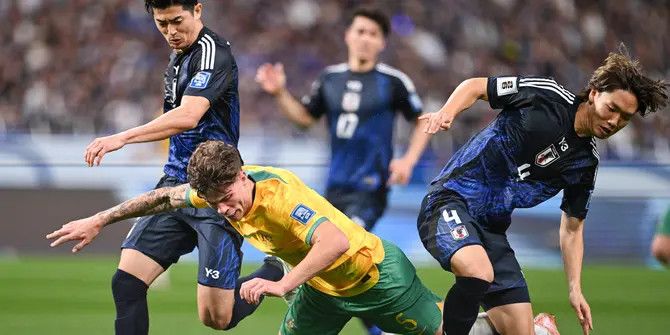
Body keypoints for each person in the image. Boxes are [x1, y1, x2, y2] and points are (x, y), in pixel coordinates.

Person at [48, 141, 561, 335]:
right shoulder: (214, 189)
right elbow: (160, 200)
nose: (225, 209)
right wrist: (100, 219)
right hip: (322, 292)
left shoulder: (281, 196)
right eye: (217, 202)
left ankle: (530, 330)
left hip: (377, 276)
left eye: (229, 197)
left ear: (243, 174)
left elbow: (334, 242)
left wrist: (279, 283)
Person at [417, 46, 668, 335]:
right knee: (478, 272)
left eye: (625, 118)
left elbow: (572, 229)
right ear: (595, 93)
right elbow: (476, 87)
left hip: (492, 229)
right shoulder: (546, 96)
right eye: (613, 109)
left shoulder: (585, 164)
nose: (614, 122)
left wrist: (575, 289)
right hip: (449, 200)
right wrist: (447, 112)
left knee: (519, 331)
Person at [77, 1, 283, 333]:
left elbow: (188, 116)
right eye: (162, 24)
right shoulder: (178, 59)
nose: (171, 32)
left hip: (217, 191)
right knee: (126, 282)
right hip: (174, 184)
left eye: (177, 21)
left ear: (197, 10)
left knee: (218, 318)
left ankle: (276, 270)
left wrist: (123, 138)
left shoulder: (214, 53)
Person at [256, 6, 431, 233]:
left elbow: (423, 121)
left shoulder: (393, 81)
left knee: (347, 238)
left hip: (371, 186)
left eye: (373, 34)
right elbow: (305, 119)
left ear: (382, 43)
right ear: (348, 35)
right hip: (335, 185)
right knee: (322, 249)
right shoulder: (329, 79)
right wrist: (280, 93)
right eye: (360, 31)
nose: (366, 39)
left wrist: (408, 160)